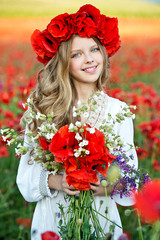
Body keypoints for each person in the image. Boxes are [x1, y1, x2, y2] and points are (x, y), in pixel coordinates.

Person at [16, 4, 138, 240]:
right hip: (53, 219)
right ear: (62, 62)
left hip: (100, 218)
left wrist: (107, 188)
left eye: (94, 49)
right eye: (76, 54)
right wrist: (57, 182)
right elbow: (25, 178)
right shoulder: (44, 108)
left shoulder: (118, 110)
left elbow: (130, 176)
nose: (90, 59)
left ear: (104, 52)